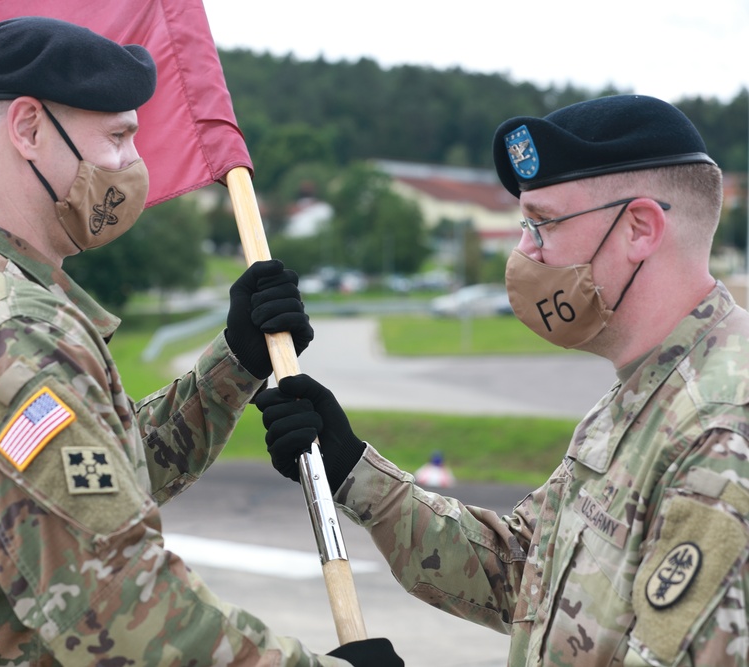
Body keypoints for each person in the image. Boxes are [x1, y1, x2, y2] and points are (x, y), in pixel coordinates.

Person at [0, 16, 403, 667]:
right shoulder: (11, 330)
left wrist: (236, 361)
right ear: (28, 129)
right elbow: (116, 600)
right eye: (116, 137)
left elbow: (95, 479)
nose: (130, 166)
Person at [257, 94, 749, 666]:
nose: (523, 250)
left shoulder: (721, 430)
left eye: (543, 223)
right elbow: (521, 573)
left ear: (639, 228)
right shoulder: (649, 391)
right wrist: (350, 471)